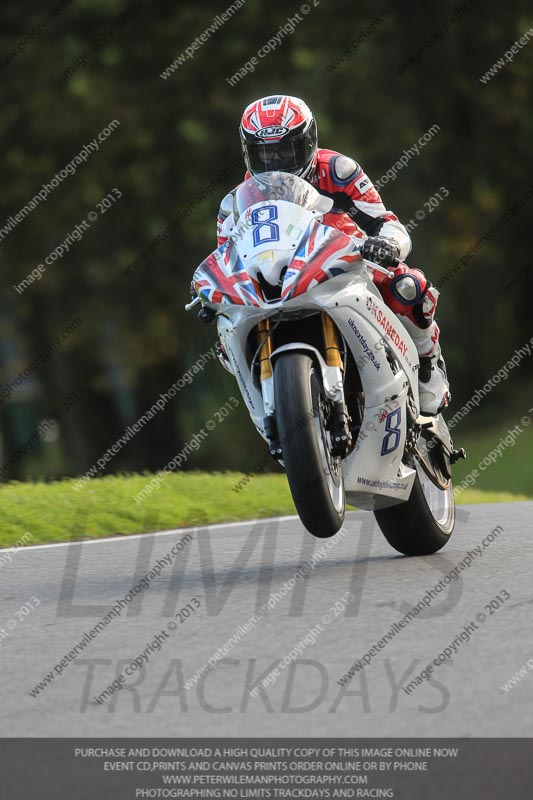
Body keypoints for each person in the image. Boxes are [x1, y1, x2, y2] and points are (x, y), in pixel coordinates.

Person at [215, 94, 450, 416]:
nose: (276, 162)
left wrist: (387, 244)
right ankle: (274, 406)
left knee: (408, 287)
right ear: (248, 153)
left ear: (309, 141)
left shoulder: (338, 170)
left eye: (287, 149)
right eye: (265, 153)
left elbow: (385, 221)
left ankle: (428, 364)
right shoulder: (235, 203)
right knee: (225, 332)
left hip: (342, 262)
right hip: (274, 280)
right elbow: (225, 258)